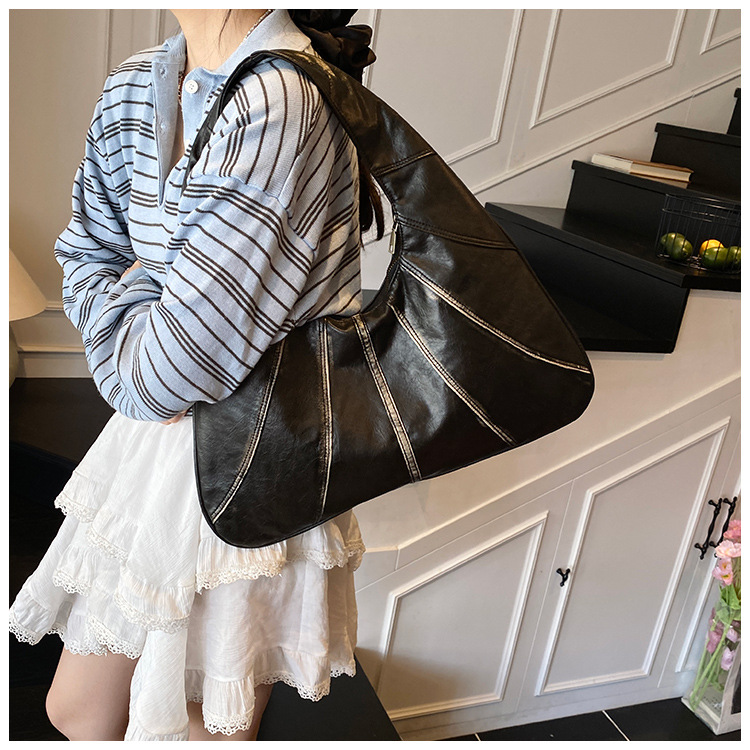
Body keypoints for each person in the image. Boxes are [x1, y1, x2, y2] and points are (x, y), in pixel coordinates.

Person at [9, 9, 380, 741]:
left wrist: (141, 306)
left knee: (198, 728)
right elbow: (84, 253)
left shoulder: (282, 100)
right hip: (152, 452)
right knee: (79, 710)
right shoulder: (135, 84)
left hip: (254, 460)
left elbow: (168, 375)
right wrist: (153, 320)